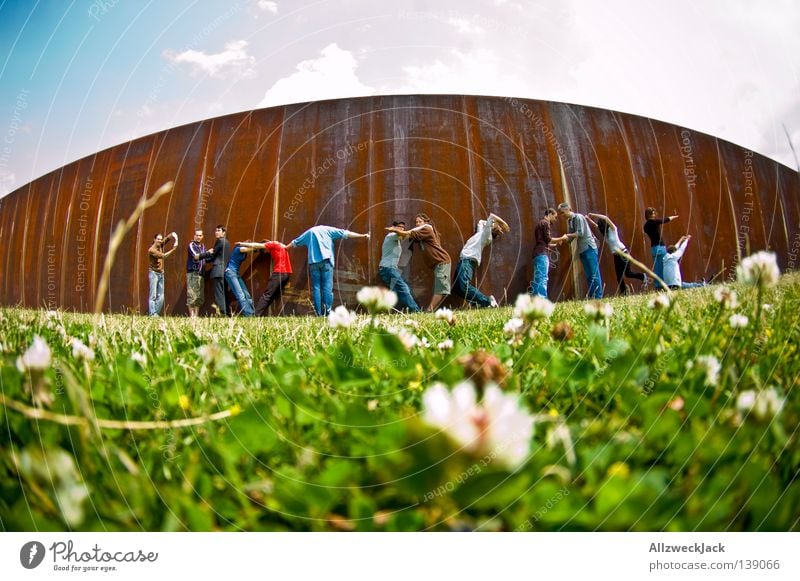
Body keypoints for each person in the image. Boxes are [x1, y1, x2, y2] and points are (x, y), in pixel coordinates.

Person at [285, 225, 370, 316]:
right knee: (327, 288)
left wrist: (285, 248)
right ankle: (327, 312)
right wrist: (362, 235)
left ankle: (318, 314)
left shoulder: (309, 232)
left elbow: (295, 243)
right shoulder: (329, 230)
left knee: (316, 288)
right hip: (326, 262)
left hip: (313, 263)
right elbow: (346, 233)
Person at [386, 213, 451, 312]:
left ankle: (429, 310)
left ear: (425, 222)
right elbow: (408, 236)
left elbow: (408, 234)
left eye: (419, 221)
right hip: (437, 263)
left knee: (441, 288)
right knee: (441, 287)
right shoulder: (421, 232)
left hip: (441, 261)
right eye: (416, 222)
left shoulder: (427, 229)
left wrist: (396, 230)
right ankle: (432, 310)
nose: (417, 224)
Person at [452, 212, 511, 308]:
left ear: (491, 230)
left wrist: (502, 223)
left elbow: (491, 216)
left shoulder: (487, 236)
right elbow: (481, 222)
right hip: (464, 260)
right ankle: (477, 303)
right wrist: (493, 224)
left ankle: (488, 301)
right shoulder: (481, 233)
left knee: (463, 286)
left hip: (468, 260)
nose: (493, 225)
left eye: (494, 226)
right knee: (457, 288)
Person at [587, 213, 647, 295]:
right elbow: (595, 225)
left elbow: (606, 217)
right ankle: (624, 292)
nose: (600, 227)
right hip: (616, 256)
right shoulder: (605, 234)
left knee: (628, 274)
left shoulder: (613, 229)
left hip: (623, 253)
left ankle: (643, 276)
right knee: (619, 276)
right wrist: (588, 219)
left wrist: (593, 214)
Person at [557, 202, 603, 299]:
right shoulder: (570, 221)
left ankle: (598, 296)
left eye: (562, 213)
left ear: (568, 209)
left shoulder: (578, 217)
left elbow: (580, 233)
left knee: (594, 273)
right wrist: (562, 240)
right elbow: (571, 238)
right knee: (588, 275)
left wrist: (567, 235)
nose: (562, 215)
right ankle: (592, 296)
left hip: (589, 247)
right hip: (582, 249)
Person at [236, 240, 293, 316]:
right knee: (273, 295)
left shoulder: (272, 244)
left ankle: (256, 315)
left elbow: (256, 245)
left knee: (267, 295)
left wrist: (242, 243)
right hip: (287, 273)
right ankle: (267, 314)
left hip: (279, 272)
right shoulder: (280, 245)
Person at [378, 221, 421, 313]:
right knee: (403, 288)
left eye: (403, 227)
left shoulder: (396, 238)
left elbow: (404, 235)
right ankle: (416, 311)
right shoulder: (391, 235)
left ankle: (389, 311)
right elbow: (407, 235)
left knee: (396, 291)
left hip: (388, 269)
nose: (401, 229)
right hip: (388, 269)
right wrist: (420, 229)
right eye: (399, 227)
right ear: (393, 227)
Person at [531, 208, 569, 298]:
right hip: (542, 254)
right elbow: (548, 239)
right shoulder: (545, 223)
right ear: (550, 214)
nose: (555, 220)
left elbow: (544, 241)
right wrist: (562, 238)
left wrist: (556, 243)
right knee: (543, 277)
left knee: (537, 278)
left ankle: (535, 300)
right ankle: (542, 299)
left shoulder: (540, 224)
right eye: (555, 217)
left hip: (537, 253)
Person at [198, 225, 232, 316]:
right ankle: (227, 313)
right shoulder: (227, 243)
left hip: (218, 271)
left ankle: (222, 313)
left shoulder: (220, 241)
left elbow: (213, 254)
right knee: (224, 293)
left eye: (219, 230)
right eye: (216, 230)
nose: (216, 232)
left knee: (219, 294)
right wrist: (207, 259)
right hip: (225, 271)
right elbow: (217, 256)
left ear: (223, 232)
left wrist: (201, 257)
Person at [643, 207, 679, 289]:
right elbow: (664, 220)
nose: (655, 214)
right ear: (651, 214)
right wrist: (673, 217)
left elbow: (646, 230)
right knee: (663, 267)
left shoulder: (646, 226)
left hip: (653, 249)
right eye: (653, 213)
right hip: (660, 247)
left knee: (657, 268)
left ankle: (658, 285)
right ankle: (664, 285)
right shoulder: (654, 222)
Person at [147, 232, 178, 316]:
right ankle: (152, 313)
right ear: (154, 240)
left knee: (161, 296)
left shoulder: (160, 245)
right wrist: (173, 249)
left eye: (161, 239)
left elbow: (169, 237)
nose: (160, 241)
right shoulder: (152, 250)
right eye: (158, 239)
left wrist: (175, 237)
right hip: (154, 273)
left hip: (161, 273)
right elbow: (164, 256)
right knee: (153, 295)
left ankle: (155, 313)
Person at [224, 243, 256, 316]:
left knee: (246, 294)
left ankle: (251, 313)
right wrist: (259, 247)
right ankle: (248, 314)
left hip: (236, 273)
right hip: (230, 273)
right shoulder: (238, 249)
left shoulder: (244, 253)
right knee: (240, 295)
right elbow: (246, 249)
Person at [186, 229, 206, 318]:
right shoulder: (191, 245)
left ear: (202, 236)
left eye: (200, 235)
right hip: (193, 272)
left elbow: (205, 258)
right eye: (197, 235)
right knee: (191, 294)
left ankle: (196, 315)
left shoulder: (203, 247)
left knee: (199, 295)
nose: (198, 237)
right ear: (194, 236)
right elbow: (196, 256)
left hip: (201, 273)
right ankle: (192, 315)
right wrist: (208, 253)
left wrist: (210, 254)